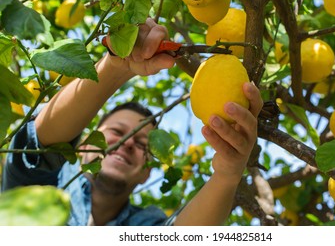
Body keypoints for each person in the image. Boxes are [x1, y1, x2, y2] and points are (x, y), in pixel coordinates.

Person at [1, 18, 263, 226]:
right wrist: (116, 67)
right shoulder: (39, 196)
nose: (126, 144)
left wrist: (228, 174)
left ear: (147, 172)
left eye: (141, 144)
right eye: (116, 131)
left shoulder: (145, 227)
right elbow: (36, 145)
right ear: (83, 145)